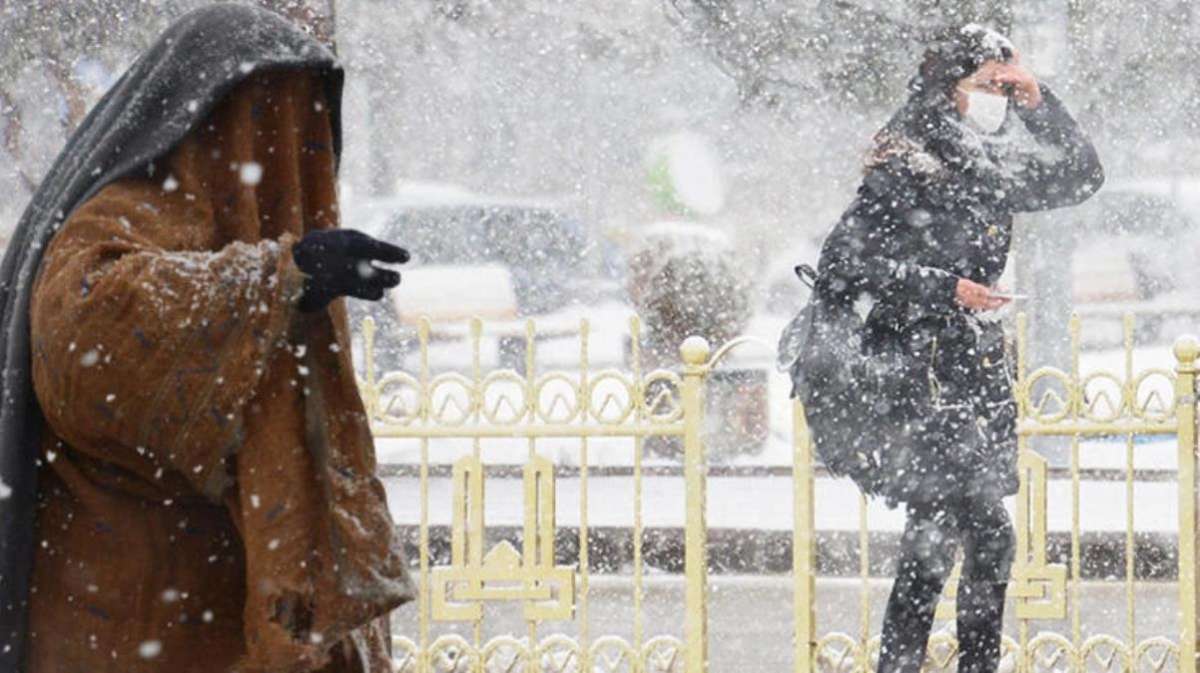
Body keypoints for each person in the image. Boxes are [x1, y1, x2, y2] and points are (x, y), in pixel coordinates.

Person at [0, 5, 415, 671]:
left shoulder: (261, 249)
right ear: (218, 118)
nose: (294, 162)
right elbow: (85, 333)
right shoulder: (119, 217)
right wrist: (280, 279)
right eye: (276, 125)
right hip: (134, 633)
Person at [814, 24, 1104, 673]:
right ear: (949, 89)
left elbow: (1082, 175)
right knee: (955, 533)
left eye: (1007, 85)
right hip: (921, 374)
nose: (998, 97)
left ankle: (935, 663)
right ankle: (922, 663)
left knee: (968, 536)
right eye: (988, 85)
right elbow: (841, 263)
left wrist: (1037, 99)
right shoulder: (906, 160)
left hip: (975, 373)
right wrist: (947, 290)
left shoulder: (989, 168)